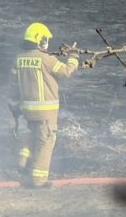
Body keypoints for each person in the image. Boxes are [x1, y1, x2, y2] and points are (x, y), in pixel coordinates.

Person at [9, 22, 79, 189]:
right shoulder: (45, 58)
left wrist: (14, 106)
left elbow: (13, 85)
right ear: (40, 40)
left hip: (27, 109)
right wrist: (74, 58)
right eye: (45, 39)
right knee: (46, 142)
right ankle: (38, 179)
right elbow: (66, 71)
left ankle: (23, 160)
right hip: (46, 113)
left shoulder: (18, 58)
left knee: (33, 137)